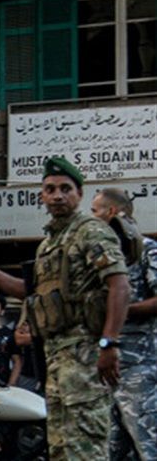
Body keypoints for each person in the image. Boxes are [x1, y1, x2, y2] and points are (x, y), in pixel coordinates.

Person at [0, 157, 130, 460]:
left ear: (79, 194)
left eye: (66, 188)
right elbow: (31, 292)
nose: (58, 195)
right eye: (50, 189)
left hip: (86, 355)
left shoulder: (91, 231)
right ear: (42, 196)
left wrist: (109, 342)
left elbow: (119, 285)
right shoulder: (48, 245)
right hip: (55, 359)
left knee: (86, 449)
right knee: (60, 449)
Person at [90, 187, 157, 461]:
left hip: (139, 369)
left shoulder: (147, 249)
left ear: (112, 212)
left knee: (148, 449)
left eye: (94, 211)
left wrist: (119, 311)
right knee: (107, 452)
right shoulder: (101, 256)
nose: (91, 218)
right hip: (105, 371)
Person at [7, 320, 45, 393]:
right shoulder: (13, 338)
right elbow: (17, 362)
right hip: (27, 377)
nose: (23, 326)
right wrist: (11, 385)